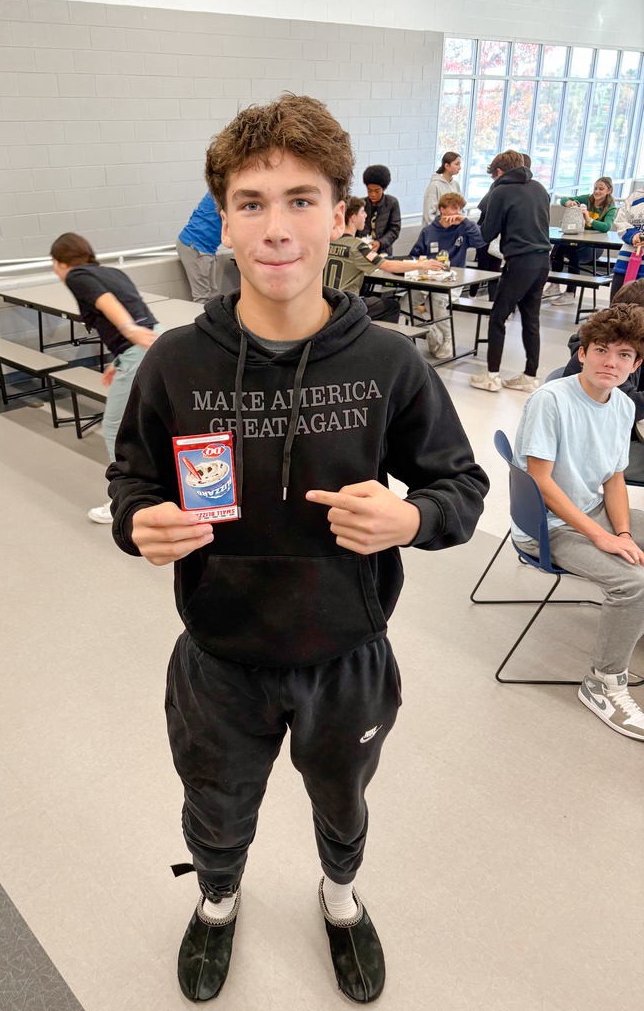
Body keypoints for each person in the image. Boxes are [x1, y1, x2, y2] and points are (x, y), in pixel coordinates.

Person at [107, 94, 488, 1004]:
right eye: (251, 202)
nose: (276, 228)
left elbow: (461, 492)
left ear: (341, 214)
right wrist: (136, 523)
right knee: (216, 806)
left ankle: (342, 900)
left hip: (346, 656)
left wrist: (411, 520)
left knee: (343, 804)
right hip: (219, 658)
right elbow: (131, 482)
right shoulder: (175, 364)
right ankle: (216, 903)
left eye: (302, 199)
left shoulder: (390, 364)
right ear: (223, 221)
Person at [513, 303, 644, 740]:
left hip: (591, 511)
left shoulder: (623, 405)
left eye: (624, 355)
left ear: (636, 363)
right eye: (602, 350)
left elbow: (613, 476)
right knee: (632, 582)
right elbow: (542, 482)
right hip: (548, 526)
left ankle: (628, 632)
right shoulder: (551, 400)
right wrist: (602, 538)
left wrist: (621, 531)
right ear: (582, 353)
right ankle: (603, 682)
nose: (611, 362)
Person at [50, 233, 162, 523]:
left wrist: (128, 332)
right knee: (146, 422)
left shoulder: (76, 275)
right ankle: (155, 489)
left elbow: (106, 301)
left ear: (58, 262)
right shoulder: (111, 271)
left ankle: (125, 502)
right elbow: (140, 312)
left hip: (138, 346)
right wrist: (120, 358)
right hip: (148, 344)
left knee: (115, 426)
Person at [469, 150, 550, 394]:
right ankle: (530, 376)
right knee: (531, 319)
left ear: (499, 172)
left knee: (497, 317)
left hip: (520, 262)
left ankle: (492, 375)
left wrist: (465, 228)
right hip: (543, 262)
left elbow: (487, 233)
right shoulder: (539, 188)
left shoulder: (500, 191)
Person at [562, 279, 644, 483]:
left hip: (611, 441)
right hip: (590, 449)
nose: (611, 361)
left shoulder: (630, 353)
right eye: (601, 350)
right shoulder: (603, 365)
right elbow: (630, 405)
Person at [325, 194, 443, 327]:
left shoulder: (330, 242)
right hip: (347, 306)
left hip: (326, 302)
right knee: (392, 306)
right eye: (362, 213)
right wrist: (422, 265)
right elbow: (388, 266)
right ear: (353, 218)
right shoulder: (357, 246)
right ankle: (382, 344)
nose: (365, 216)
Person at [409, 192, 485, 358]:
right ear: (442, 210)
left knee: (436, 300)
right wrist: (422, 263)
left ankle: (449, 339)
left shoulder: (463, 229)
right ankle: (429, 331)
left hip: (453, 280)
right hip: (427, 278)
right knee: (406, 303)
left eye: (461, 209)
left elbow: (481, 241)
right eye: (454, 208)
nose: (458, 212)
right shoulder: (428, 231)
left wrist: (465, 222)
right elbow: (414, 255)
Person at [546, 177, 616, 306]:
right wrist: (568, 203)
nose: (597, 191)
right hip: (577, 240)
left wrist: (589, 219)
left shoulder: (610, 208)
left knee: (575, 257)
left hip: (594, 247)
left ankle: (569, 293)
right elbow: (564, 200)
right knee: (558, 249)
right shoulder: (586, 199)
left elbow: (606, 227)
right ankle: (554, 285)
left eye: (601, 189)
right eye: (595, 188)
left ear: (609, 190)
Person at [176, 192, 223, 303]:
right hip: (196, 244)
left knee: (213, 294)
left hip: (206, 246)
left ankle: (214, 320)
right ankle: (204, 320)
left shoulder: (221, 189)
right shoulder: (223, 192)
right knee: (202, 296)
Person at [354, 164, 401, 256]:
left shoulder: (392, 203)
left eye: (377, 191)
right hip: (363, 249)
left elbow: (394, 230)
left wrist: (380, 243)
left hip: (384, 251)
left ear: (384, 188)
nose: (373, 195)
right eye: (369, 190)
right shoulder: (361, 204)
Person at [610, 186, 644, 301]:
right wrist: (633, 235)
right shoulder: (636, 197)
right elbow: (620, 221)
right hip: (627, 261)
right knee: (617, 304)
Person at [422, 151, 462, 226]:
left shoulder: (456, 185)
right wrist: (441, 227)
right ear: (446, 166)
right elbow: (429, 214)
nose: (459, 168)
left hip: (453, 230)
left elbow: (461, 208)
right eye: (456, 164)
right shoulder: (434, 185)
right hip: (437, 231)